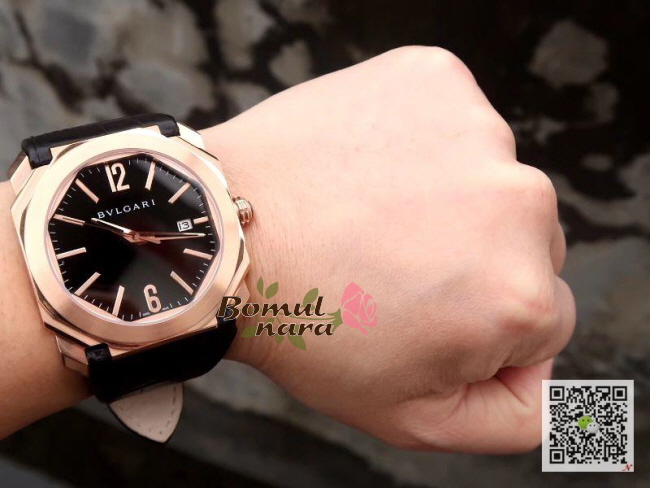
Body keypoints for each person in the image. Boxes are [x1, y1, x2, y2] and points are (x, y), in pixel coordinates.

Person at [0, 47, 574, 452]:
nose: (135, 235)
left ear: (238, 209)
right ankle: (609, 437)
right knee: (586, 427)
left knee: (542, 409)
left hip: (511, 360)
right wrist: (595, 433)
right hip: (543, 383)